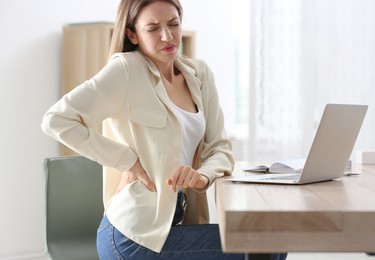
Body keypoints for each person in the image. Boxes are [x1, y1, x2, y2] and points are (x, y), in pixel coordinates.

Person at [41, 0, 287, 259]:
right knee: (261, 247)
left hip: (174, 225)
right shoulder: (126, 70)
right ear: (132, 34)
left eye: (173, 24)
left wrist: (202, 176)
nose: (167, 36)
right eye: (153, 28)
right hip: (129, 237)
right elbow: (57, 119)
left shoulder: (200, 75)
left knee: (272, 240)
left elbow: (220, 148)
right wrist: (127, 160)